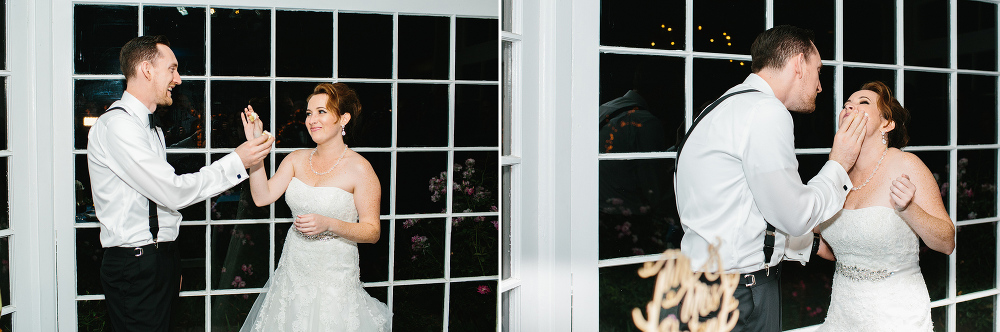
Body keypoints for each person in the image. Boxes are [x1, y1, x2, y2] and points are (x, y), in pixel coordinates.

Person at [674, 25, 867, 331]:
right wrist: (839, 163)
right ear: (797, 65)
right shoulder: (765, 111)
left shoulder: (720, 107)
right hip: (738, 296)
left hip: (706, 287)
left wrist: (811, 247)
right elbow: (795, 216)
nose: (820, 85)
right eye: (818, 70)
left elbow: (745, 211)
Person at [87, 35, 273, 332]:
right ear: (147, 70)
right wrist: (238, 160)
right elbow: (172, 192)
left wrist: (169, 261)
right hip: (136, 264)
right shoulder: (117, 126)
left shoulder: (151, 128)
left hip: (157, 259)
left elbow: (159, 202)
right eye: (172, 69)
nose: (179, 78)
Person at [239, 83, 392, 331]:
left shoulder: (360, 169)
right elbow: (261, 196)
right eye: (309, 113)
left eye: (321, 112)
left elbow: (372, 231)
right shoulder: (296, 159)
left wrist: (330, 224)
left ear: (344, 118)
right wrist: (256, 148)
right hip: (292, 275)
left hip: (335, 280)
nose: (312, 120)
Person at [814, 82, 954, 331]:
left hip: (896, 316)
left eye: (863, 102)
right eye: (847, 103)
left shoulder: (907, 164)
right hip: (843, 314)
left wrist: (909, 208)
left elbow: (946, 242)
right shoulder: (836, 172)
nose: (850, 106)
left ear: (887, 124)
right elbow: (830, 246)